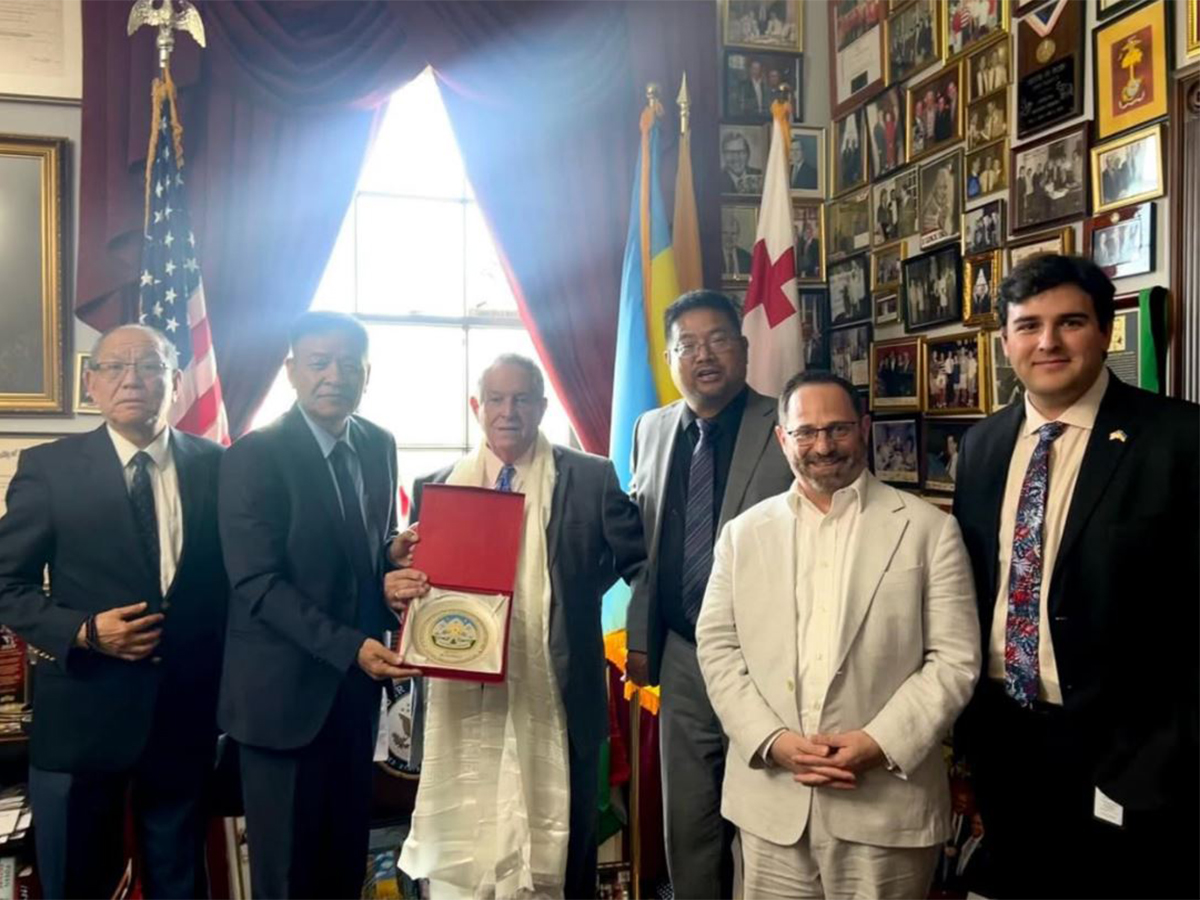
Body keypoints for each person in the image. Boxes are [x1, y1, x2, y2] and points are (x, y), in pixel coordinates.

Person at [952, 255, 1200, 899]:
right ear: (1005, 341)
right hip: (1007, 737)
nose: (1049, 342)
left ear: (1104, 330)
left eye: (1070, 322)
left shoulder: (1180, 438)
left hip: (1134, 751)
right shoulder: (982, 447)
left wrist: (1175, 746)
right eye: (1028, 326)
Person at [696, 370, 980, 900]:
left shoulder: (929, 529)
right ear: (782, 439)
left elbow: (954, 659)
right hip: (773, 805)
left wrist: (880, 743)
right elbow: (717, 648)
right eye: (805, 432)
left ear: (864, 429)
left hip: (885, 806)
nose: (823, 446)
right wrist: (770, 740)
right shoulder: (742, 535)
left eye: (838, 429)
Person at [394, 354, 646, 898]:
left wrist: (595, 612)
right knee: (468, 846)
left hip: (558, 695)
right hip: (463, 697)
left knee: (565, 853)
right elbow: (419, 583)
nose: (509, 411)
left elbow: (637, 563)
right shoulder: (437, 486)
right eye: (496, 399)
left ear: (542, 406)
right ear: (476, 407)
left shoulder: (590, 477)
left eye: (522, 399)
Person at [0, 325, 227, 898]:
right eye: (114, 367)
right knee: (77, 883)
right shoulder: (49, 469)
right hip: (82, 717)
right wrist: (80, 630)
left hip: (185, 715)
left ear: (176, 383)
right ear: (91, 383)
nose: (132, 380)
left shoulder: (219, 464)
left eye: (149, 367)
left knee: (181, 882)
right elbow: (6, 583)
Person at [219, 311, 415, 899]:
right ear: (291, 371)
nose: (335, 376)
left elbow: (361, 552)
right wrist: (351, 647)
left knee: (343, 863)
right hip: (281, 701)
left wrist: (391, 556)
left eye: (349, 364)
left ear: (367, 374)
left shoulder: (378, 443)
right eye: (319, 363)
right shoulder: (255, 455)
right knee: (286, 876)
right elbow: (257, 582)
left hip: (354, 698)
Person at [625, 290, 793, 899]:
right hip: (681, 652)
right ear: (670, 358)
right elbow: (642, 542)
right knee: (689, 817)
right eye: (688, 345)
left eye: (718, 340)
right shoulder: (651, 428)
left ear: (743, 350)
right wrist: (640, 637)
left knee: (769, 814)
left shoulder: (786, 422)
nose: (704, 355)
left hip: (767, 656)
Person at [721, 131, 762, 195]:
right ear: (723, 155)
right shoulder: (716, 179)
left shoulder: (760, 174)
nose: (736, 158)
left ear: (748, 154)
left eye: (740, 152)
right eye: (730, 152)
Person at [721, 212, 754, 277]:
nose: (729, 237)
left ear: (738, 235)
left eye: (733, 233)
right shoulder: (713, 257)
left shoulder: (747, 257)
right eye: (725, 233)